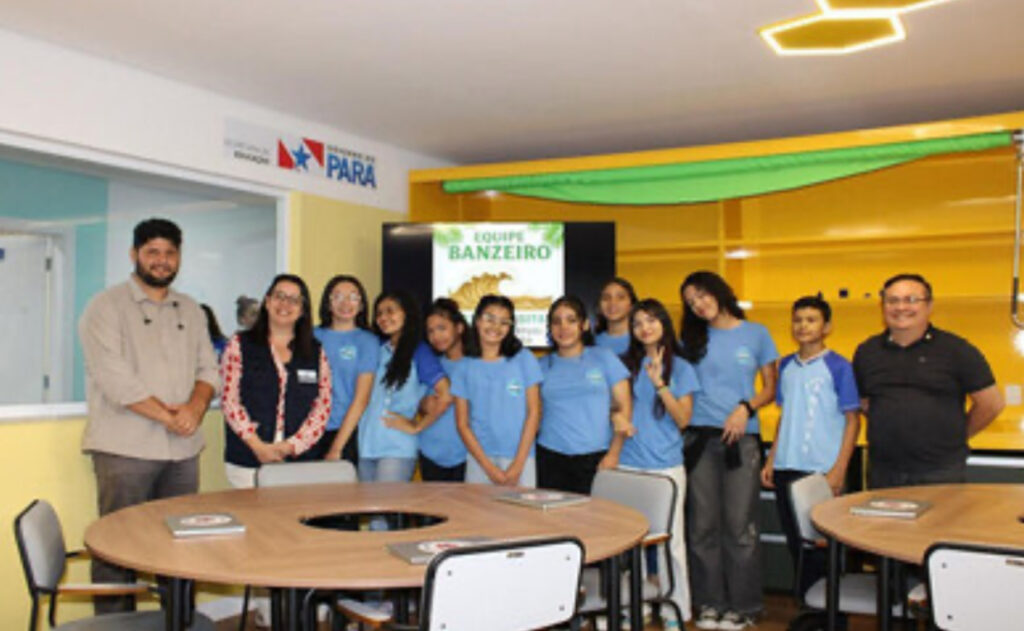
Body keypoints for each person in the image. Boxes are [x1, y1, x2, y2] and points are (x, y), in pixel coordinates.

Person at [78, 218, 219, 614]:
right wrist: (169, 416)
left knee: (180, 548)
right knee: (116, 547)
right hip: (125, 450)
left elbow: (209, 369)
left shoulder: (190, 309)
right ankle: (114, 626)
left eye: (170, 253)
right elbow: (114, 378)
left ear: (179, 257)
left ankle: (177, 623)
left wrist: (195, 408)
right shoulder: (105, 307)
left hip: (183, 453)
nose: (162, 260)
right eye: (152, 251)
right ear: (134, 254)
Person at [680, 270, 778, 631]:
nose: (699, 305)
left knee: (739, 526)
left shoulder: (756, 333)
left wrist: (745, 408)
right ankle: (709, 603)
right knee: (702, 526)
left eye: (702, 295)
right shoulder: (691, 339)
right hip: (699, 441)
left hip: (742, 439)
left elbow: (770, 387)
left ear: (719, 292)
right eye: (691, 302)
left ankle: (745, 607)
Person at [853, 273, 1004, 488]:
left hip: (940, 471)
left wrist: (956, 435)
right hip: (884, 471)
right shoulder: (867, 351)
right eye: (892, 300)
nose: (901, 307)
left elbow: (991, 403)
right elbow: (864, 403)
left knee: (943, 513)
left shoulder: (957, 350)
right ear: (883, 306)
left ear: (929, 306)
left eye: (911, 300)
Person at [761, 295, 860, 597]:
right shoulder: (785, 366)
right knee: (798, 544)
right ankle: (808, 606)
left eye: (811, 320)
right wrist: (771, 459)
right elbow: (786, 416)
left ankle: (832, 613)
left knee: (824, 546)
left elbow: (853, 420)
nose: (803, 326)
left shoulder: (839, 367)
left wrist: (839, 470)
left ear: (826, 327)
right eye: (798, 320)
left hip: (822, 471)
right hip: (786, 467)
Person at [619, 298, 701, 624]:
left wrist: (660, 384)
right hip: (628, 464)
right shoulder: (625, 365)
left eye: (651, 320)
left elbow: (683, 419)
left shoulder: (682, 367)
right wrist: (616, 418)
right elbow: (615, 408)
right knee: (631, 541)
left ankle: (674, 609)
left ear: (664, 324)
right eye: (638, 323)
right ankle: (634, 606)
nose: (644, 328)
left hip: (666, 467)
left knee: (671, 542)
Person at [220, 274, 331, 488]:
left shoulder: (315, 351)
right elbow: (230, 400)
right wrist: (258, 447)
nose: (285, 304)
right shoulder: (239, 344)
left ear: (302, 309)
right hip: (248, 460)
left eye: (294, 300)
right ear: (268, 301)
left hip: (298, 462)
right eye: (279, 296)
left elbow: (323, 406)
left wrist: (291, 446)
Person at [344, 291, 450, 483]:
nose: (383, 318)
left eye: (390, 311)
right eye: (379, 313)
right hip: (366, 446)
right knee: (367, 503)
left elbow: (446, 393)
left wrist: (417, 426)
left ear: (406, 313)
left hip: (397, 448)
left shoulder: (419, 351)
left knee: (386, 502)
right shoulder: (376, 348)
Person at [537, 296, 632, 494]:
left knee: (594, 514)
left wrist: (614, 454)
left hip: (597, 457)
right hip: (550, 456)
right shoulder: (541, 366)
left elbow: (624, 408)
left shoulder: (604, 357)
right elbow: (533, 412)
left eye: (571, 320)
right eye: (557, 321)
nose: (563, 327)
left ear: (585, 325)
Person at [452, 295, 543, 487]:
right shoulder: (463, 366)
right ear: (477, 320)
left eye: (504, 322)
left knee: (519, 508)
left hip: (521, 457)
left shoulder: (524, 359)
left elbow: (534, 413)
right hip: (480, 460)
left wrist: (518, 465)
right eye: (489, 318)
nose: (496, 326)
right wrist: (489, 468)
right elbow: (462, 424)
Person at [313, 275, 378, 465]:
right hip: (308, 430)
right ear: (328, 303)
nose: (345, 303)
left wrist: (336, 448)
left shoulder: (367, 341)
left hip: (345, 432)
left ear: (362, 304)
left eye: (353, 297)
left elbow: (361, 398)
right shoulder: (312, 336)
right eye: (338, 296)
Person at [418, 298, 469, 481]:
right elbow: (418, 401)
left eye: (442, 328)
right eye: (431, 331)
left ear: (459, 328)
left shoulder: (477, 365)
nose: (436, 336)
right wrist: (423, 404)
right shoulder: (430, 365)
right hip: (430, 453)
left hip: (467, 455)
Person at [594, 277, 638, 357]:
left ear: (631, 305)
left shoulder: (643, 340)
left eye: (620, 298)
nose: (612, 303)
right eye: (606, 298)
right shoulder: (590, 344)